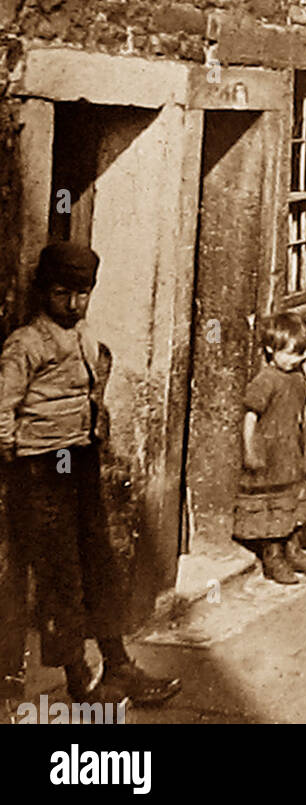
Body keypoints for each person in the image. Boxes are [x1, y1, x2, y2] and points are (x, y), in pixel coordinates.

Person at [0, 242, 180, 706]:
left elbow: (94, 379)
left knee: (97, 562)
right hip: (39, 468)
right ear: (44, 290)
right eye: (64, 293)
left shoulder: (81, 335)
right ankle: (80, 678)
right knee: (60, 573)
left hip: (76, 461)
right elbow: (3, 409)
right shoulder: (25, 343)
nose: (75, 304)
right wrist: (14, 457)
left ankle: (118, 663)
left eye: (84, 294)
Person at [235, 312, 306, 585]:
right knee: (271, 506)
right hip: (269, 453)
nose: (295, 359)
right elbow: (250, 416)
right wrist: (250, 450)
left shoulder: (297, 376)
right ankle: (272, 557)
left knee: (291, 501)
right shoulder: (266, 380)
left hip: (291, 450)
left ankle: (293, 550)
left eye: (300, 353)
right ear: (269, 349)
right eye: (289, 354)